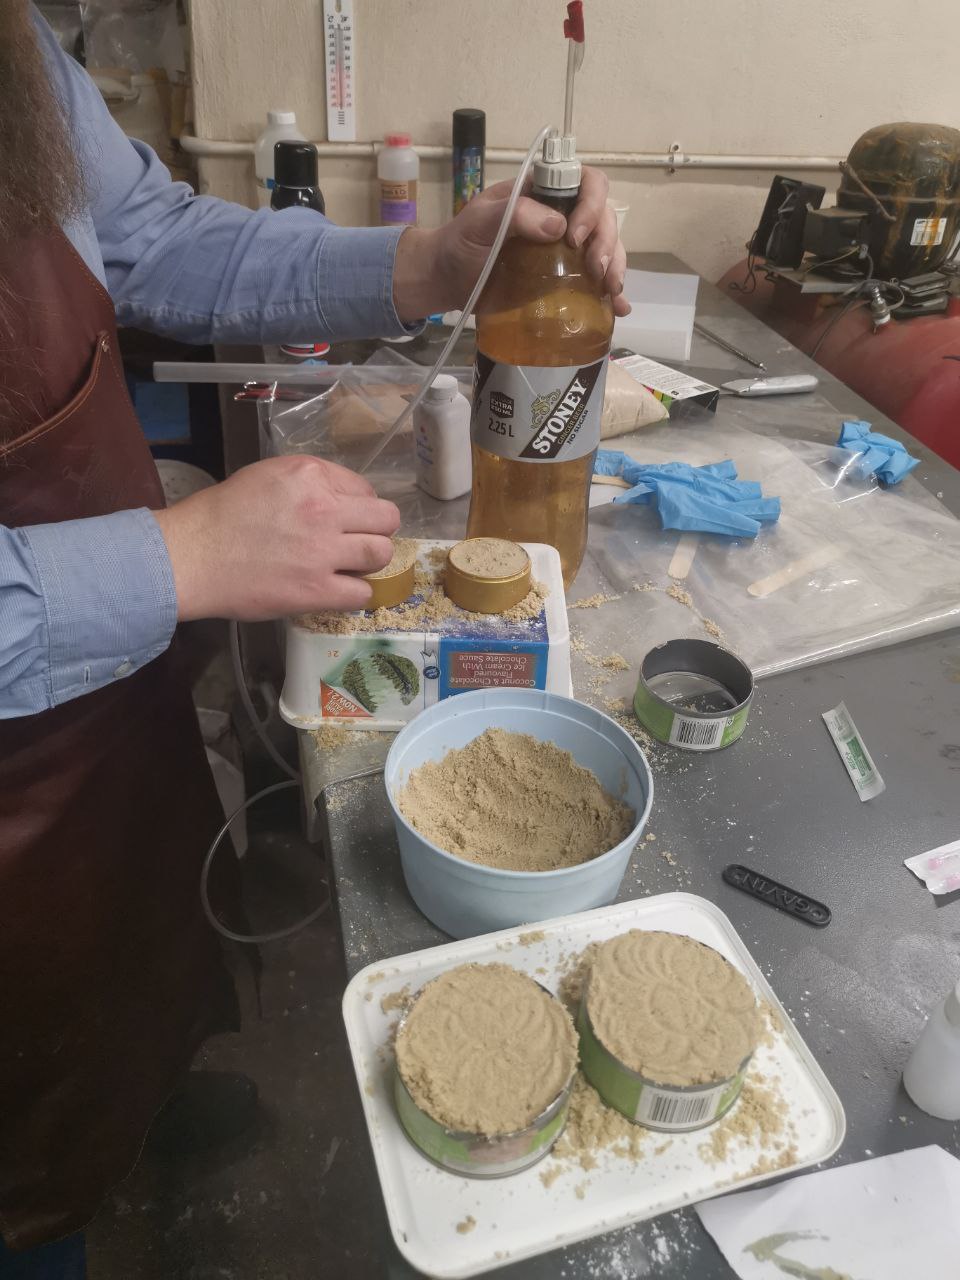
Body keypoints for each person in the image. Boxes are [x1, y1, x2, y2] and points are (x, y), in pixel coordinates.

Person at [0, 5, 628, 1275]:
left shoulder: (16, 47)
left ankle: (130, 1114)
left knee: (114, 986)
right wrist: (172, 559)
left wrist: (427, 266)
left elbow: (151, 234)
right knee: (20, 1135)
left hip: (96, 718)